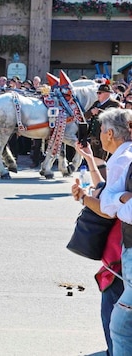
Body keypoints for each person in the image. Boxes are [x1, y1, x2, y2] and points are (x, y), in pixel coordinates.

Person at [73, 109, 132, 356]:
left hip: (120, 255)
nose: (99, 136)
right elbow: (108, 191)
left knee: (117, 324)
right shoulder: (121, 158)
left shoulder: (122, 158)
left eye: (100, 131)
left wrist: (88, 199)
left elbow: (108, 207)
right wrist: (89, 160)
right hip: (120, 253)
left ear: (109, 133)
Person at [84, 84, 123, 166]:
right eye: (97, 93)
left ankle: (102, 176)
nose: (98, 95)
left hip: (106, 135)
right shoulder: (96, 103)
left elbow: (113, 116)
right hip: (93, 135)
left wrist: (99, 112)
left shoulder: (114, 104)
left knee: (101, 159)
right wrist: (91, 112)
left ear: (107, 93)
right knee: (94, 158)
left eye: (100, 93)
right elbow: (85, 115)